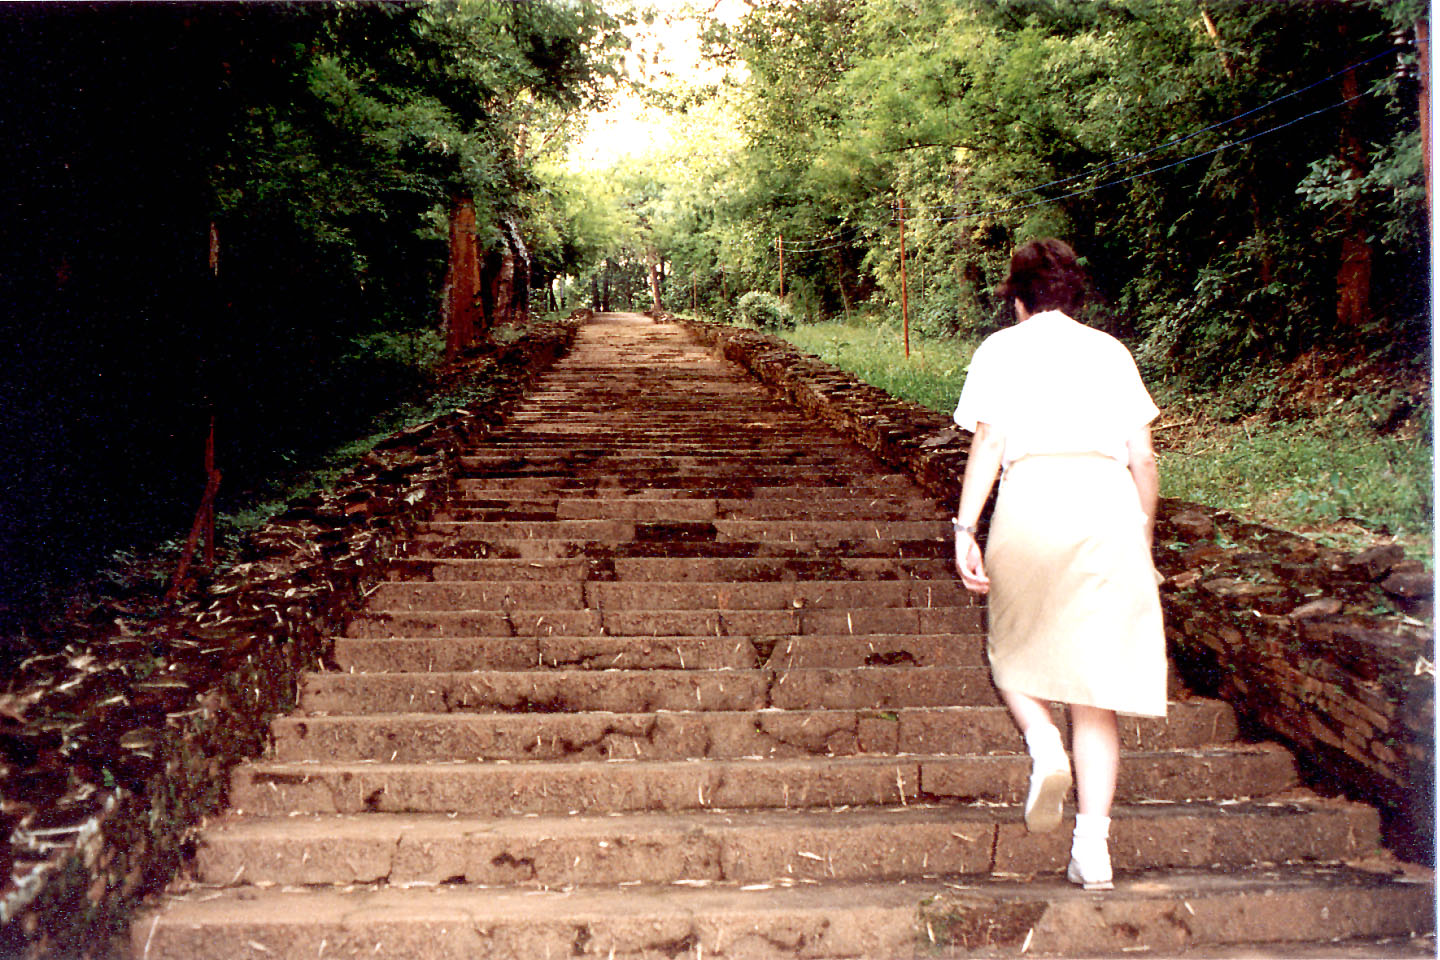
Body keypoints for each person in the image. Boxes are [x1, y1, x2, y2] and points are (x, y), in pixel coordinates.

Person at [950, 238, 1166, 891]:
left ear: (1015, 300)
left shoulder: (1000, 351)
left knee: (1010, 649)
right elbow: (1145, 459)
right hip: (1107, 507)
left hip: (1030, 501)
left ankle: (1043, 742)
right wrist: (1142, 537)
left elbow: (988, 439)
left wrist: (965, 527)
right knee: (1095, 700)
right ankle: (1092, 850)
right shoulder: (1110, 351)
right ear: (1074, 294)